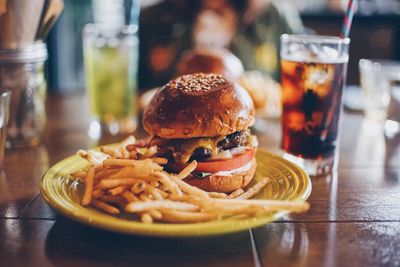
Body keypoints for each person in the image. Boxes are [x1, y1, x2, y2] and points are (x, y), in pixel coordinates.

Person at [138, 0, 304, 89]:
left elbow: (304, 77)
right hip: (171, 130)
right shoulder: (151, 19)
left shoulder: (274, 17)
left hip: (263, 135)